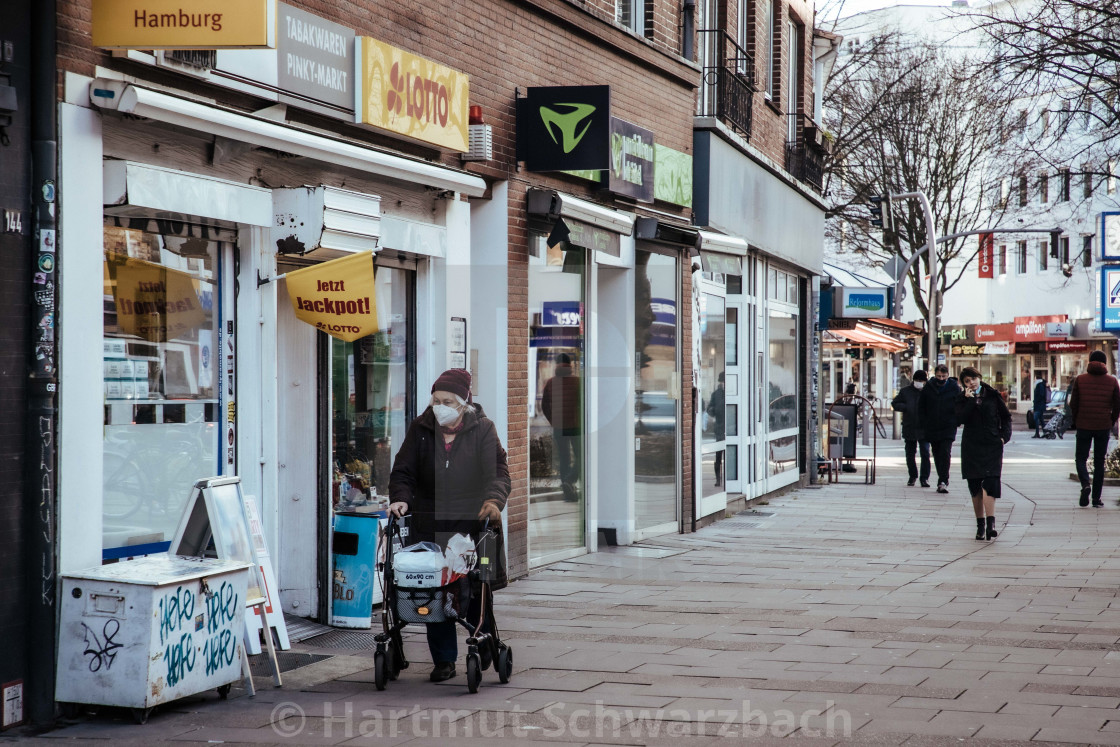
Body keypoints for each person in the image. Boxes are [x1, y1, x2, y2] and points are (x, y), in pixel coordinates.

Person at [388, 368, 511, 682]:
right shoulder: (421, 429)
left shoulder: (483, 429)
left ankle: (482, 640)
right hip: (429, 523)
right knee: (435, 591)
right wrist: (401, 498)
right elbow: (403, 470)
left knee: (471, 590)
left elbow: (498, 473)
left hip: (471, 524)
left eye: (446, 401)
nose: (439, 406)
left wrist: (493, 502)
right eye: (435, 400)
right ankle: (443, 660)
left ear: (463, 404)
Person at [955, 367, 1012, 540]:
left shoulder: (993, 395)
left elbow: (1006, 417)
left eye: (973, 379)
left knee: (991, 482)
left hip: (992, 444)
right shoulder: (961, 399)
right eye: (967, 381)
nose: (971, 383)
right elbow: (960, 419)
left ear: (979, 378)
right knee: (975, 486)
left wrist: (1004, 437)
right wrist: (970, 401)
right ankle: (980, 525)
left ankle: (991, 524)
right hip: (972, 446)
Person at [1069, 350, 1120, 508]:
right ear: (1105, 363)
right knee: (1099, 462)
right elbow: (1117, 405)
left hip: (1084, 425)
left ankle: (1085, 484)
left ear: (1090, 362)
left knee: (1081, 459)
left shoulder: (1080, 380)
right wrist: (1110, 421)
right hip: (1103, 426)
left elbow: (1073, 403)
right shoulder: (1112, 381)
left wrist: (1077, 420)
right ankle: (1096, 499)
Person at [541, 353, 583, 502]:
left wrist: (553, 420)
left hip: (559, 427)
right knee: (581, 456)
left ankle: (568, 495)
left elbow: (544, 405)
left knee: (564, 459)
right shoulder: (578, 382)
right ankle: (570, 481)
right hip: (576, 425)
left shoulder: (551, 382)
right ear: (569, 365)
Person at [919, 364, 961, 494]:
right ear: (935, 375)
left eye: (943, 376)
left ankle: (943, 481)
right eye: (938, 376)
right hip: (932, 426)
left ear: (948, 375)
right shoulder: (928, 388)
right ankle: (941, 477)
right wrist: (924, 422)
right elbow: (922, 406)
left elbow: (960, 405)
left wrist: (957, 420)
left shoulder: (954, 388)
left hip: (948, 426)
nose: (941, 378)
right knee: (937, 453)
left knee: (945, 452)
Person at [891, 369, 931, 487]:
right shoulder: (905, 392)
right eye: (917, 380)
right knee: (910, 454)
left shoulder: (928, 392)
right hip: (910, 427)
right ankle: (913, 476)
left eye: (922, 381)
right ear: (913, 380)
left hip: (924, 428)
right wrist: (906, 407)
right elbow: (895, 403)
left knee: (925, 453)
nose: (919, 382)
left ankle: (924, 478)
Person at [707, 372, 726, 485]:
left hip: (732, 429)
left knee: (730, 455)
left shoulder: (733, 393)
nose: (724, 384)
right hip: (719, 428)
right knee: (718, 456)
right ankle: (718, 479)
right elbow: (709, 408)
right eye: (723, 381)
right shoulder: (716, 394)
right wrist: (713, 411)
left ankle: (730, 479)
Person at [1032, 373, 1051, 438]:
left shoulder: (1039, 385)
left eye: (1034, 378)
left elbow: (1041, 395)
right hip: (1040, 405)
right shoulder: (1040, 384)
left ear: (1036, 378)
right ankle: (1045, 432)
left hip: (1039, 405)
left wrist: (1036, 401)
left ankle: (1037, 433)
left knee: (1036, 418)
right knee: (1041, 419)